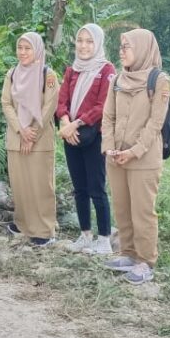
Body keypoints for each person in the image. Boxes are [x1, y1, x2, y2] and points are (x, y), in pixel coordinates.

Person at [101, 28, 170, 284]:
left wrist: (134, 151)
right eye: (120, 46)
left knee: (143, 211)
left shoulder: (159, 80)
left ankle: (145, 261)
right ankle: (127, 253)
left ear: (142, 48)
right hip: (116, 156)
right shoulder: (117, 79)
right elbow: (108, 116)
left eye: (126, 46)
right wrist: (109, 147)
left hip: (143, 158)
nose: (121, 51)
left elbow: (155, 123)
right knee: (122, 208)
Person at [57, 23, 115, 254]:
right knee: (79, 187)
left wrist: (76, 123)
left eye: (89, 41)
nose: (83, 46)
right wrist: (63, 121)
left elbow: (103, 105)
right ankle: (85, 235)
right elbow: (62, 100)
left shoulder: (106, 69)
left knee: (96, 188)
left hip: (94, 136)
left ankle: (104, 240)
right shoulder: (72, 70)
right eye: (80, 40)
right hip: (70, 136)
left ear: (98, 44)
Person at [2, 32, 60, 246]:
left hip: (40, 140)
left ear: (37, 50)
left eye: (28, 48)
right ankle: (22, 223)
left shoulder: (48, 74)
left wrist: (32, 133)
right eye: (20, 48)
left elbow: (49, 106)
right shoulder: (12, 74)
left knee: (41, 186)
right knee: (20, 184)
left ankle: (44, 231)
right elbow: (6, 103)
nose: (23, 52)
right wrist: (21, 130)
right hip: (16, 138)